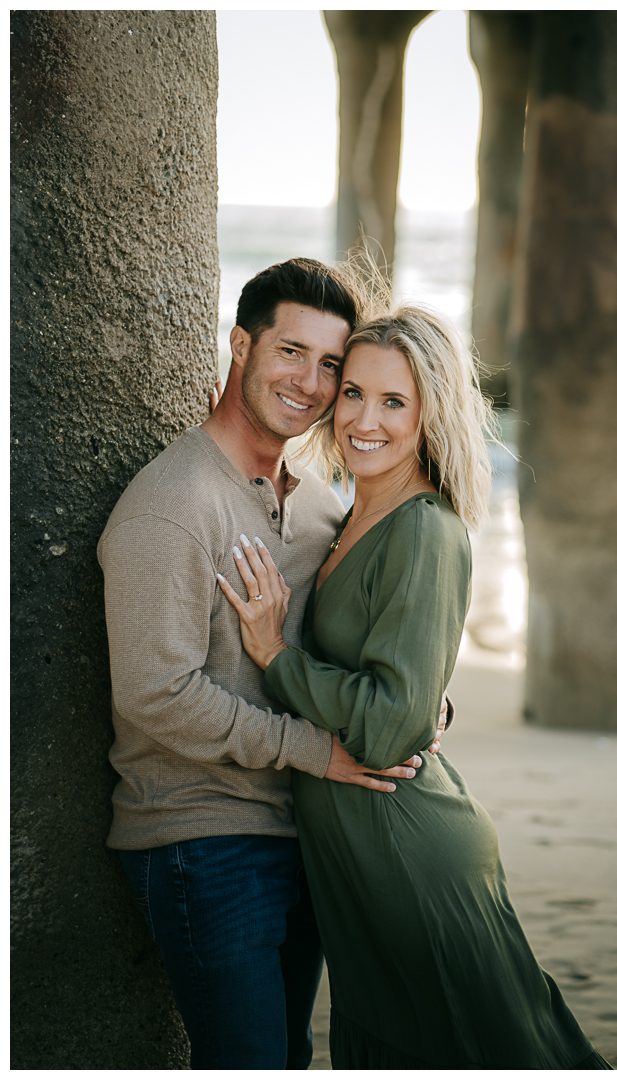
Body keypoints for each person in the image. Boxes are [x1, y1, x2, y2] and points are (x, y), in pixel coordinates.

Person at [217, 303, 613, 1070]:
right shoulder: (351, 515)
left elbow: (393, 728)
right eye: (354, 392)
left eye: (394, 401)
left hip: (410, 856)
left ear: (431, 412)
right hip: (358, 863)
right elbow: (402, 682)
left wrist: (277, 659)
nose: (365, 419)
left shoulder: (425, 530)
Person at [97, 258, 450, 1070]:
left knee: (288, 1057)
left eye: (332, 365)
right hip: (203, 840)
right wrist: (314, 751)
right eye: (291, 352)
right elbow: (157, 696)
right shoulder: (171, 506)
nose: (312, 382)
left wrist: (418, 700)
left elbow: (360, 641)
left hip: (303, 832)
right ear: (239, 345)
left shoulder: (322, 501)